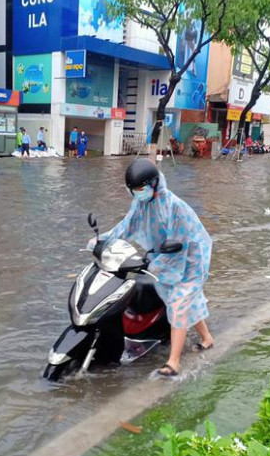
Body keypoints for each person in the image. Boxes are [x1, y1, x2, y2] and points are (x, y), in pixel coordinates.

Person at [91, 159, 214, 377]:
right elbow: (127, 225)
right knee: (186, 301)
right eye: (134, 190)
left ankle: (173, 363)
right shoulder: (141, 203)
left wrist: (154, 263)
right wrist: (103, 240)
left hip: (193, 257)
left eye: (141, 189)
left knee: (178, 303)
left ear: (154, 184)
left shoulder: (174, 207)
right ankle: (207, 339)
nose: (137, 193)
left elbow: (179, 243)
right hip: (167, 255)